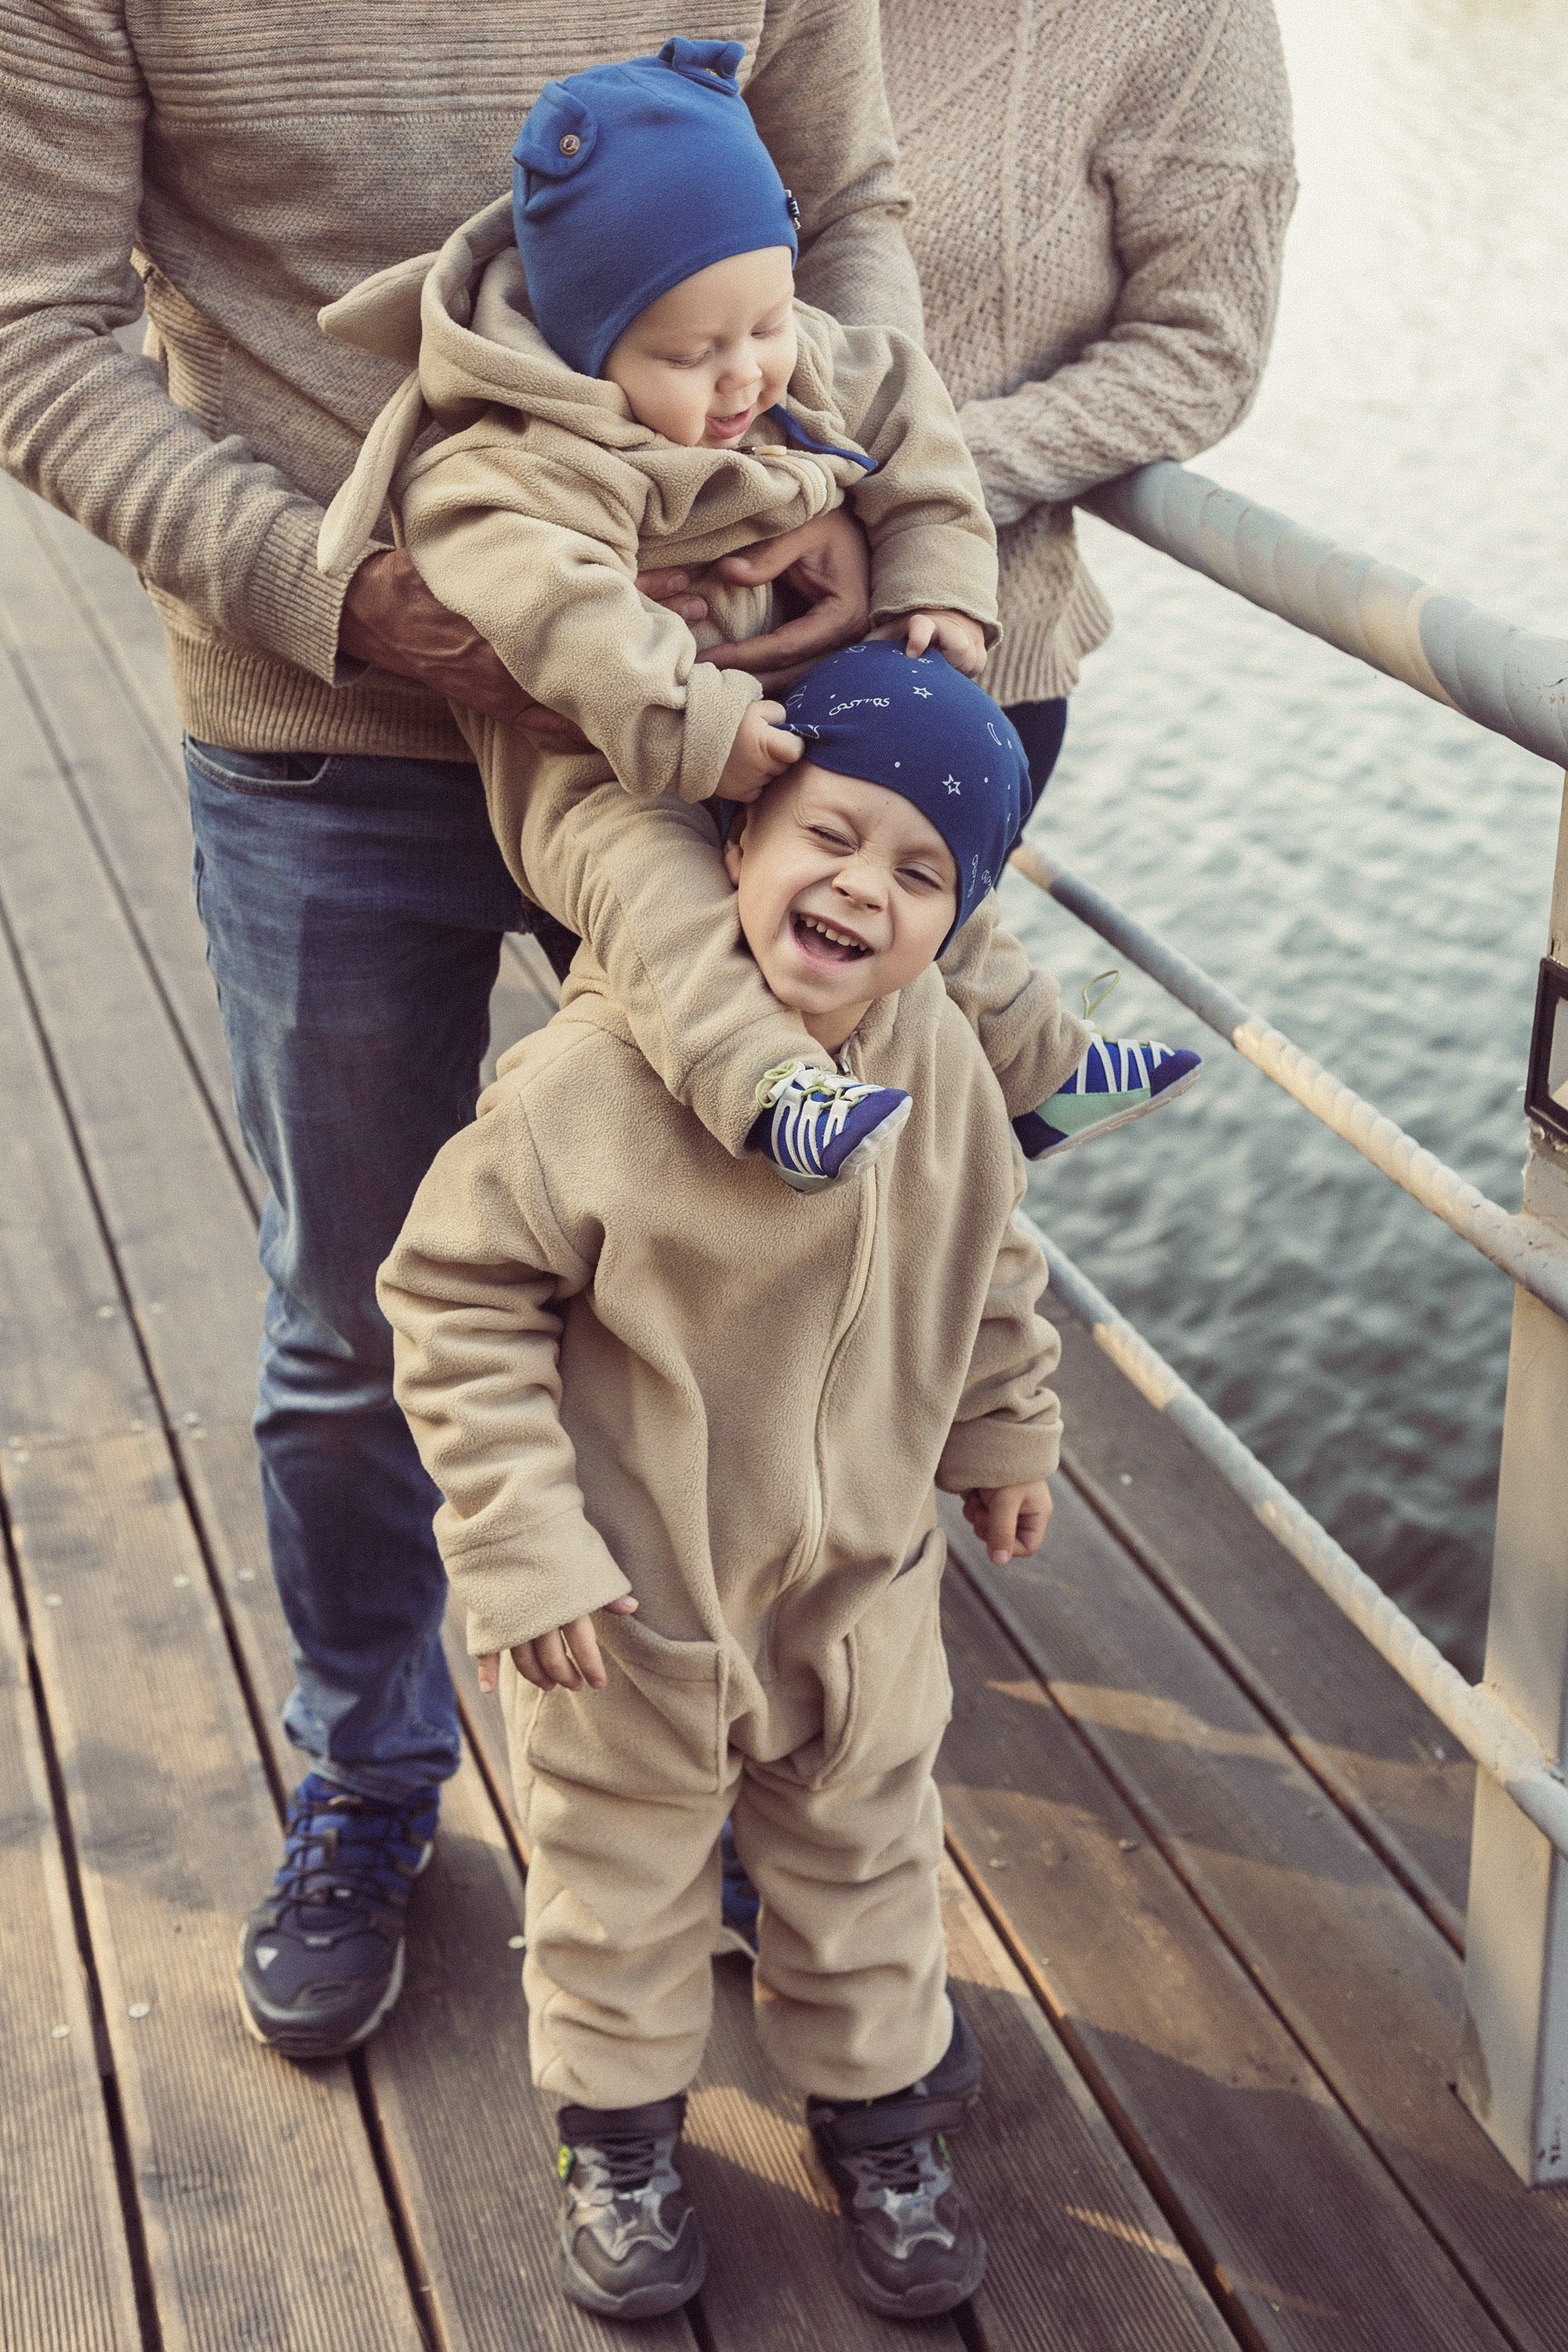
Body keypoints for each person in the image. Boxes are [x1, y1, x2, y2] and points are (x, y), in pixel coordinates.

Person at [1, 2, 933, 2063]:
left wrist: (821, 500)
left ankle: (753, 1775)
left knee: (761, 1278)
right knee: (348, 1319)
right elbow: (31, 332)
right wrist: (334, 591)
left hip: (707, 722)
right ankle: (373, 1777)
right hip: (323, 731)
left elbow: (850, 207)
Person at [379, 641, 1063, 2322]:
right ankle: (614, 2136)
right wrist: (524, 1548)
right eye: (828, 835)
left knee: (866, 1866)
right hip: (636, 1610)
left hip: (856, 1600)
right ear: (737, 844)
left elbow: (992, 1262)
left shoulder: (944, 1070)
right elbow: (451, 1304)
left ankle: (876, 2115)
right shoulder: (587, 1085)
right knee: (618, 1892)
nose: (859, 888)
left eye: (919, 874)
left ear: (954, 922)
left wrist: (1005, 1428)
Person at [316, 38, 1200, 1202]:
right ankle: (772, 1091)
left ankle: (1042, 1070)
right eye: (693, 354)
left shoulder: (791, 355)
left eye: (769, 325)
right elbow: (546, 593)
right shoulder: (517, 453)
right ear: (591, 347)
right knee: (662, 903)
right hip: (601, 761)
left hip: (785, 714)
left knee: (903, 852)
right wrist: (687, 717)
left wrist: (932, 572)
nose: (749, 379)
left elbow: (903, 403)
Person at [877, 0, 1297, 804]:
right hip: (648, 634)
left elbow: (1203, 354)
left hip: (933, 672)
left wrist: (905, 489)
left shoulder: (1192, 21)